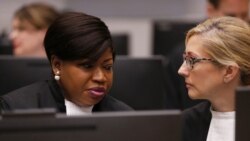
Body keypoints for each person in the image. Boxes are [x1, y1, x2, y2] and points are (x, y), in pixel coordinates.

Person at [0, 12, 133, 115]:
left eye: (107, 67)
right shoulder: (13, 109)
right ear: (57, 65)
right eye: (87, 66)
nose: (101, 77)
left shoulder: (125, 116)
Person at [180, 16, 250, 141]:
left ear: (229, 71)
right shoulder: (184, 125)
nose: (181, 70)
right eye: (184, 59)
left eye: (192, 60)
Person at [165, 0, 249, 110]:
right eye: (231, 16)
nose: (240, 23)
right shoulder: (187, 122)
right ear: (210, 10)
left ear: (229, 71)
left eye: (192, 60)